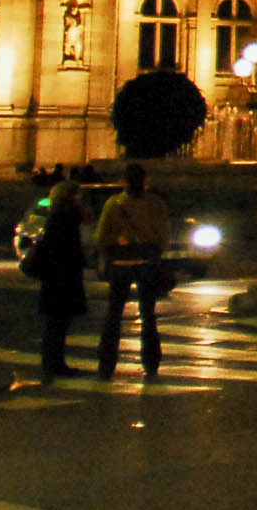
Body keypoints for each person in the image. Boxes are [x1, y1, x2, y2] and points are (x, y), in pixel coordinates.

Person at [96, 162, 172, 380]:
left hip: (121, 263)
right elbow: (163, 234)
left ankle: (107, 362)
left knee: (113, 315)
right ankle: (151, 361)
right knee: (148, 314)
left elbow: (102, 236)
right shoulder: (155, 204)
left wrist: (114, 249)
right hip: (147, 262)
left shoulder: (114, 204)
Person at [27, 180, 92, 376]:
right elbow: (66, 246)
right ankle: (54, 363)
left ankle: (53, 361)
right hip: (63, 276)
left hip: (56, 276)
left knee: (56, 322)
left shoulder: (57, 216)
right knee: (58, 322)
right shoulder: (67, 217)